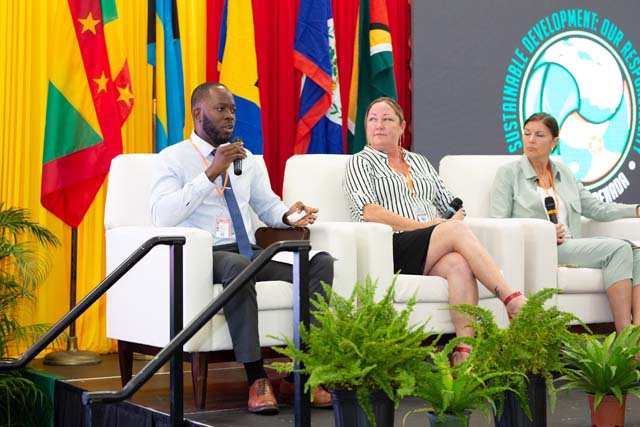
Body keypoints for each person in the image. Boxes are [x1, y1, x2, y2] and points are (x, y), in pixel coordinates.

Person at [150, 82, 334, 414]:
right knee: (238, 266)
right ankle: (256, 378)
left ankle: (303, 373)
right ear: (197, 113)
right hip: (205, 254)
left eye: (232, 110)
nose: (230, 116)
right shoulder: (172, 159)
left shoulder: (247, 160)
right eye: (221, 109)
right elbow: (162, 216)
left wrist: (290, 216)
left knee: (318, 261)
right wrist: (210, 173)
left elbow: (267, 206)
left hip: (248, 251)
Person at [343, 96, 527, 364]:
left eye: (387, 119)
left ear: (402, 126)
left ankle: (464, 352)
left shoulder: (419, 162)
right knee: (454, 231)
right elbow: (369, 212)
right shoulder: (360, 162)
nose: (379, 125)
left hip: (428, 244)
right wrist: (427, 227)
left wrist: (451, 220)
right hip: (391, 246)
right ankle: (512, 299)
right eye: (372, 119)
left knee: (458, 264)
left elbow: (453, 204)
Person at [490, 112, 640, 333]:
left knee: (636, 252)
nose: (531, 140)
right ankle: (624, 336)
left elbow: (596, 208)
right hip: (540, 249)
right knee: (618, 249)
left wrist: (635, 209)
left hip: (570, 244)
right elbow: (499, 223)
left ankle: (637, 334)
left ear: (554, 142)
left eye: (539, 135)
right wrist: (541, 233)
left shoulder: (564, 173)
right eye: (527, 133)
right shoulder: (508, 173)